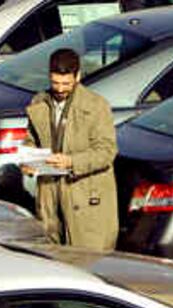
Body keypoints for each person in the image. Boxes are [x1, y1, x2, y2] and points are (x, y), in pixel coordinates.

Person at [21, 48, 119, 251]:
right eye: (55, 83)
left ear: (78, 76)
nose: (60, 89)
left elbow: (107, 151)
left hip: (85, 197)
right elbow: (31, 140)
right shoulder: (39, 102)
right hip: (50, 194)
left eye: (66, 83)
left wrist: (72, 162)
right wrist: (28, 161)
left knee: (87, 260)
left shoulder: (96, 106)